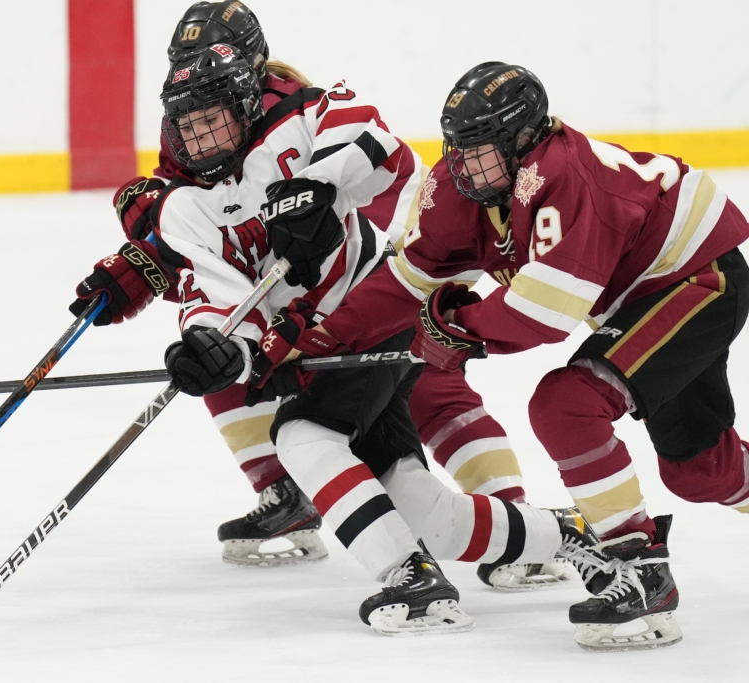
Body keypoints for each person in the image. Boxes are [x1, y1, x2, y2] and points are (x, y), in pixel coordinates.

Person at [72, 2, 561, 591]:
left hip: (385, 282)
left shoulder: (305, 113)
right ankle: (289, 493)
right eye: (182, 64)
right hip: (298, 317)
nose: (193, 87)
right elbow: (210, 239)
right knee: (222, 359)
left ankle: (512, 517)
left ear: (247, 69)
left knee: (431, 389)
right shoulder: (195, 128)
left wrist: (399, 253)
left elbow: (401, 184)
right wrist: (144, 264)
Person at [294, 61, 749, 650]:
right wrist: (321, 338)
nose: (464, 167)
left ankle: (640, 570)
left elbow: (546, 312)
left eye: (481, 152)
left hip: (695, 280)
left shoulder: (562, 177)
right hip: (643, 297)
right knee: (697, 470)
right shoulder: (462, 185)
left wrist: (459, 328)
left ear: (526, 139)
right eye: (458, 150)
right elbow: (408, 280)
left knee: (567, 404)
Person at [151, 45, 603, 637]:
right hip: (317, 343)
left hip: (372, 314)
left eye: (211, 118)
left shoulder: (300, 119)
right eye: (187, 125)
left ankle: (409, 577)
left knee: (304, 435)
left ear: (242, 103)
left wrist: (314, 184)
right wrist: (214, 347)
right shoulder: (182, 208)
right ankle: (565, 533)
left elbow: (375, 141)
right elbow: (216, 295)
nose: (200, 137)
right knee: (422, 507)